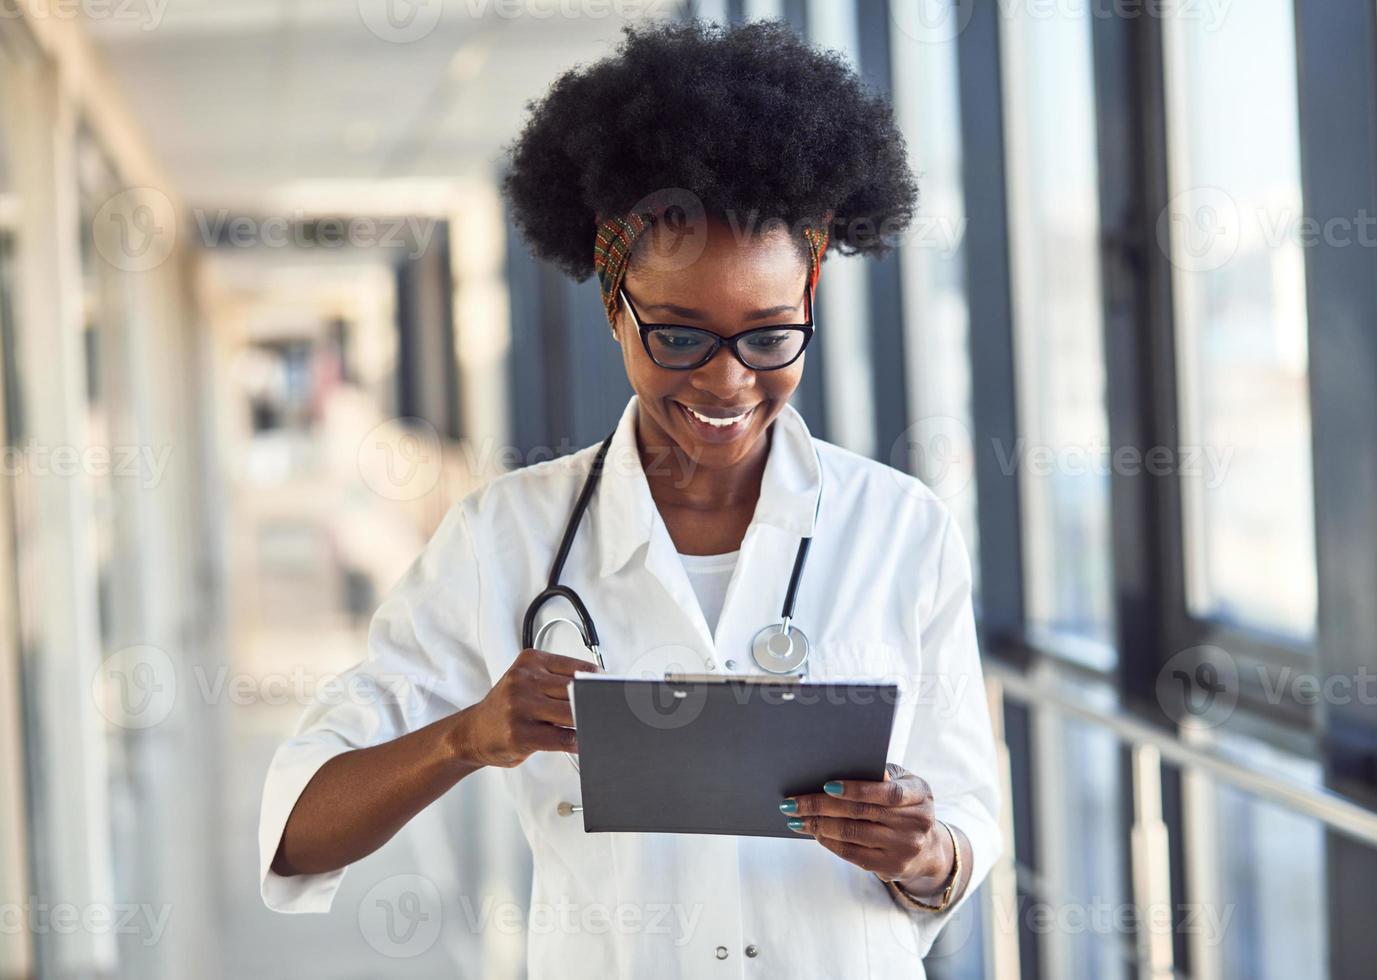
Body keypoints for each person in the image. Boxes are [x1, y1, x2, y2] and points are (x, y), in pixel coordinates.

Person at [259, 18, 1003, 977]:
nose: (729, 382)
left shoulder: (902, 529)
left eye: (770, 336)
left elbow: (966, 814)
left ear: (811, 298)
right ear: (615, 307)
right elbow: (300, 831)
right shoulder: (505, 539)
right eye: (681, 336)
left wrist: (926, 850)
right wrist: (466, 736)